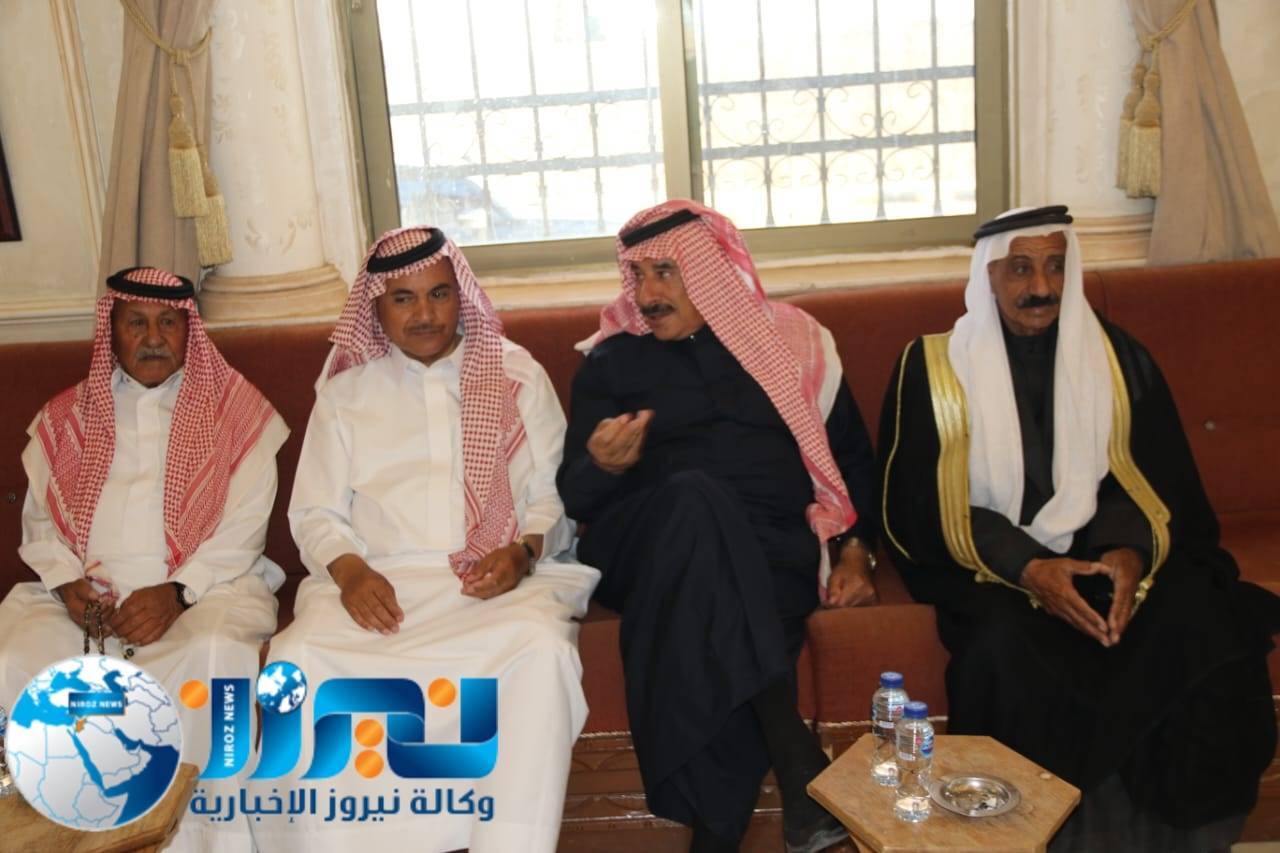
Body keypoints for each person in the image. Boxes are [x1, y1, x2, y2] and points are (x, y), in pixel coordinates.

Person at [878, 205, 1280, 850]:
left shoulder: (1117, 356)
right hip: (997, 571)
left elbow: (1154, 476)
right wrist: (1029, 566)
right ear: (988, 276)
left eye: (1055, 267)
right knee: (1003, 651)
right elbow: (917, 505)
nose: (1041, 287)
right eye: (1020, 268)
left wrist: (1127, 552)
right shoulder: (931, 368)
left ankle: (1180, 838)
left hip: (1105, 559)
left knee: (1202, 619)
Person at [250, 227, 599, 853]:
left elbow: (554, 499)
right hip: (377, 580)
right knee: (297, 658)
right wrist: (351, 573)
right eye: (403, 299)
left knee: (542, 649)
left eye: (439, 294)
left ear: (460, 295)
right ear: (377, 308)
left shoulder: (517, 375)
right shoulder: (346, 394)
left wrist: (523, 554)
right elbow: (316, 512)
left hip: (495, 583)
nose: (425, 314)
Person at [557, 200, 878, 853]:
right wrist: (601, 465)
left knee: (723, 621)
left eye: (665, 273)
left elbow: (850, 461)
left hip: (770, 552)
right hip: (644, 546)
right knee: (695, 496)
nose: (647, 294)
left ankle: (717, 839)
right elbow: (574, 496)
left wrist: (855, 551)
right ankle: (798, 764)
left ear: (709, 270)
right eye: (637, 275)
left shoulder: (793, 344)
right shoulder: (611, 363)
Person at [0, 266, 289, 852]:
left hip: (207, 591)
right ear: (112, 330)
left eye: (168, 323)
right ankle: (48, 835)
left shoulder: (239, 414)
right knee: (14, 654)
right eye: (136, 323)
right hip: (85, 604)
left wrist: (177, 592)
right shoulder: (66, 418)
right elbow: (40, 521)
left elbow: (244, 530)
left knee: (214, 656)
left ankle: (208, 839)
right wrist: (66, 584)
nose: (153, 338)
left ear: (189, 331)